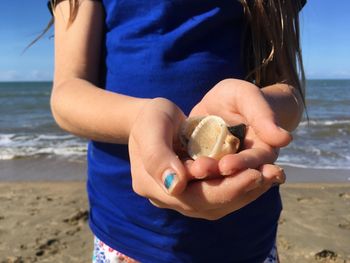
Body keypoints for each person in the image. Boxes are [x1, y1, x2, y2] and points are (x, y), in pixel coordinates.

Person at [48, 0, 306, 262]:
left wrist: (263, 108)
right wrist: (139, 117)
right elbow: (66, 94)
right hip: (128, 230)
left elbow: (290, 94)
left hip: (249, 230)